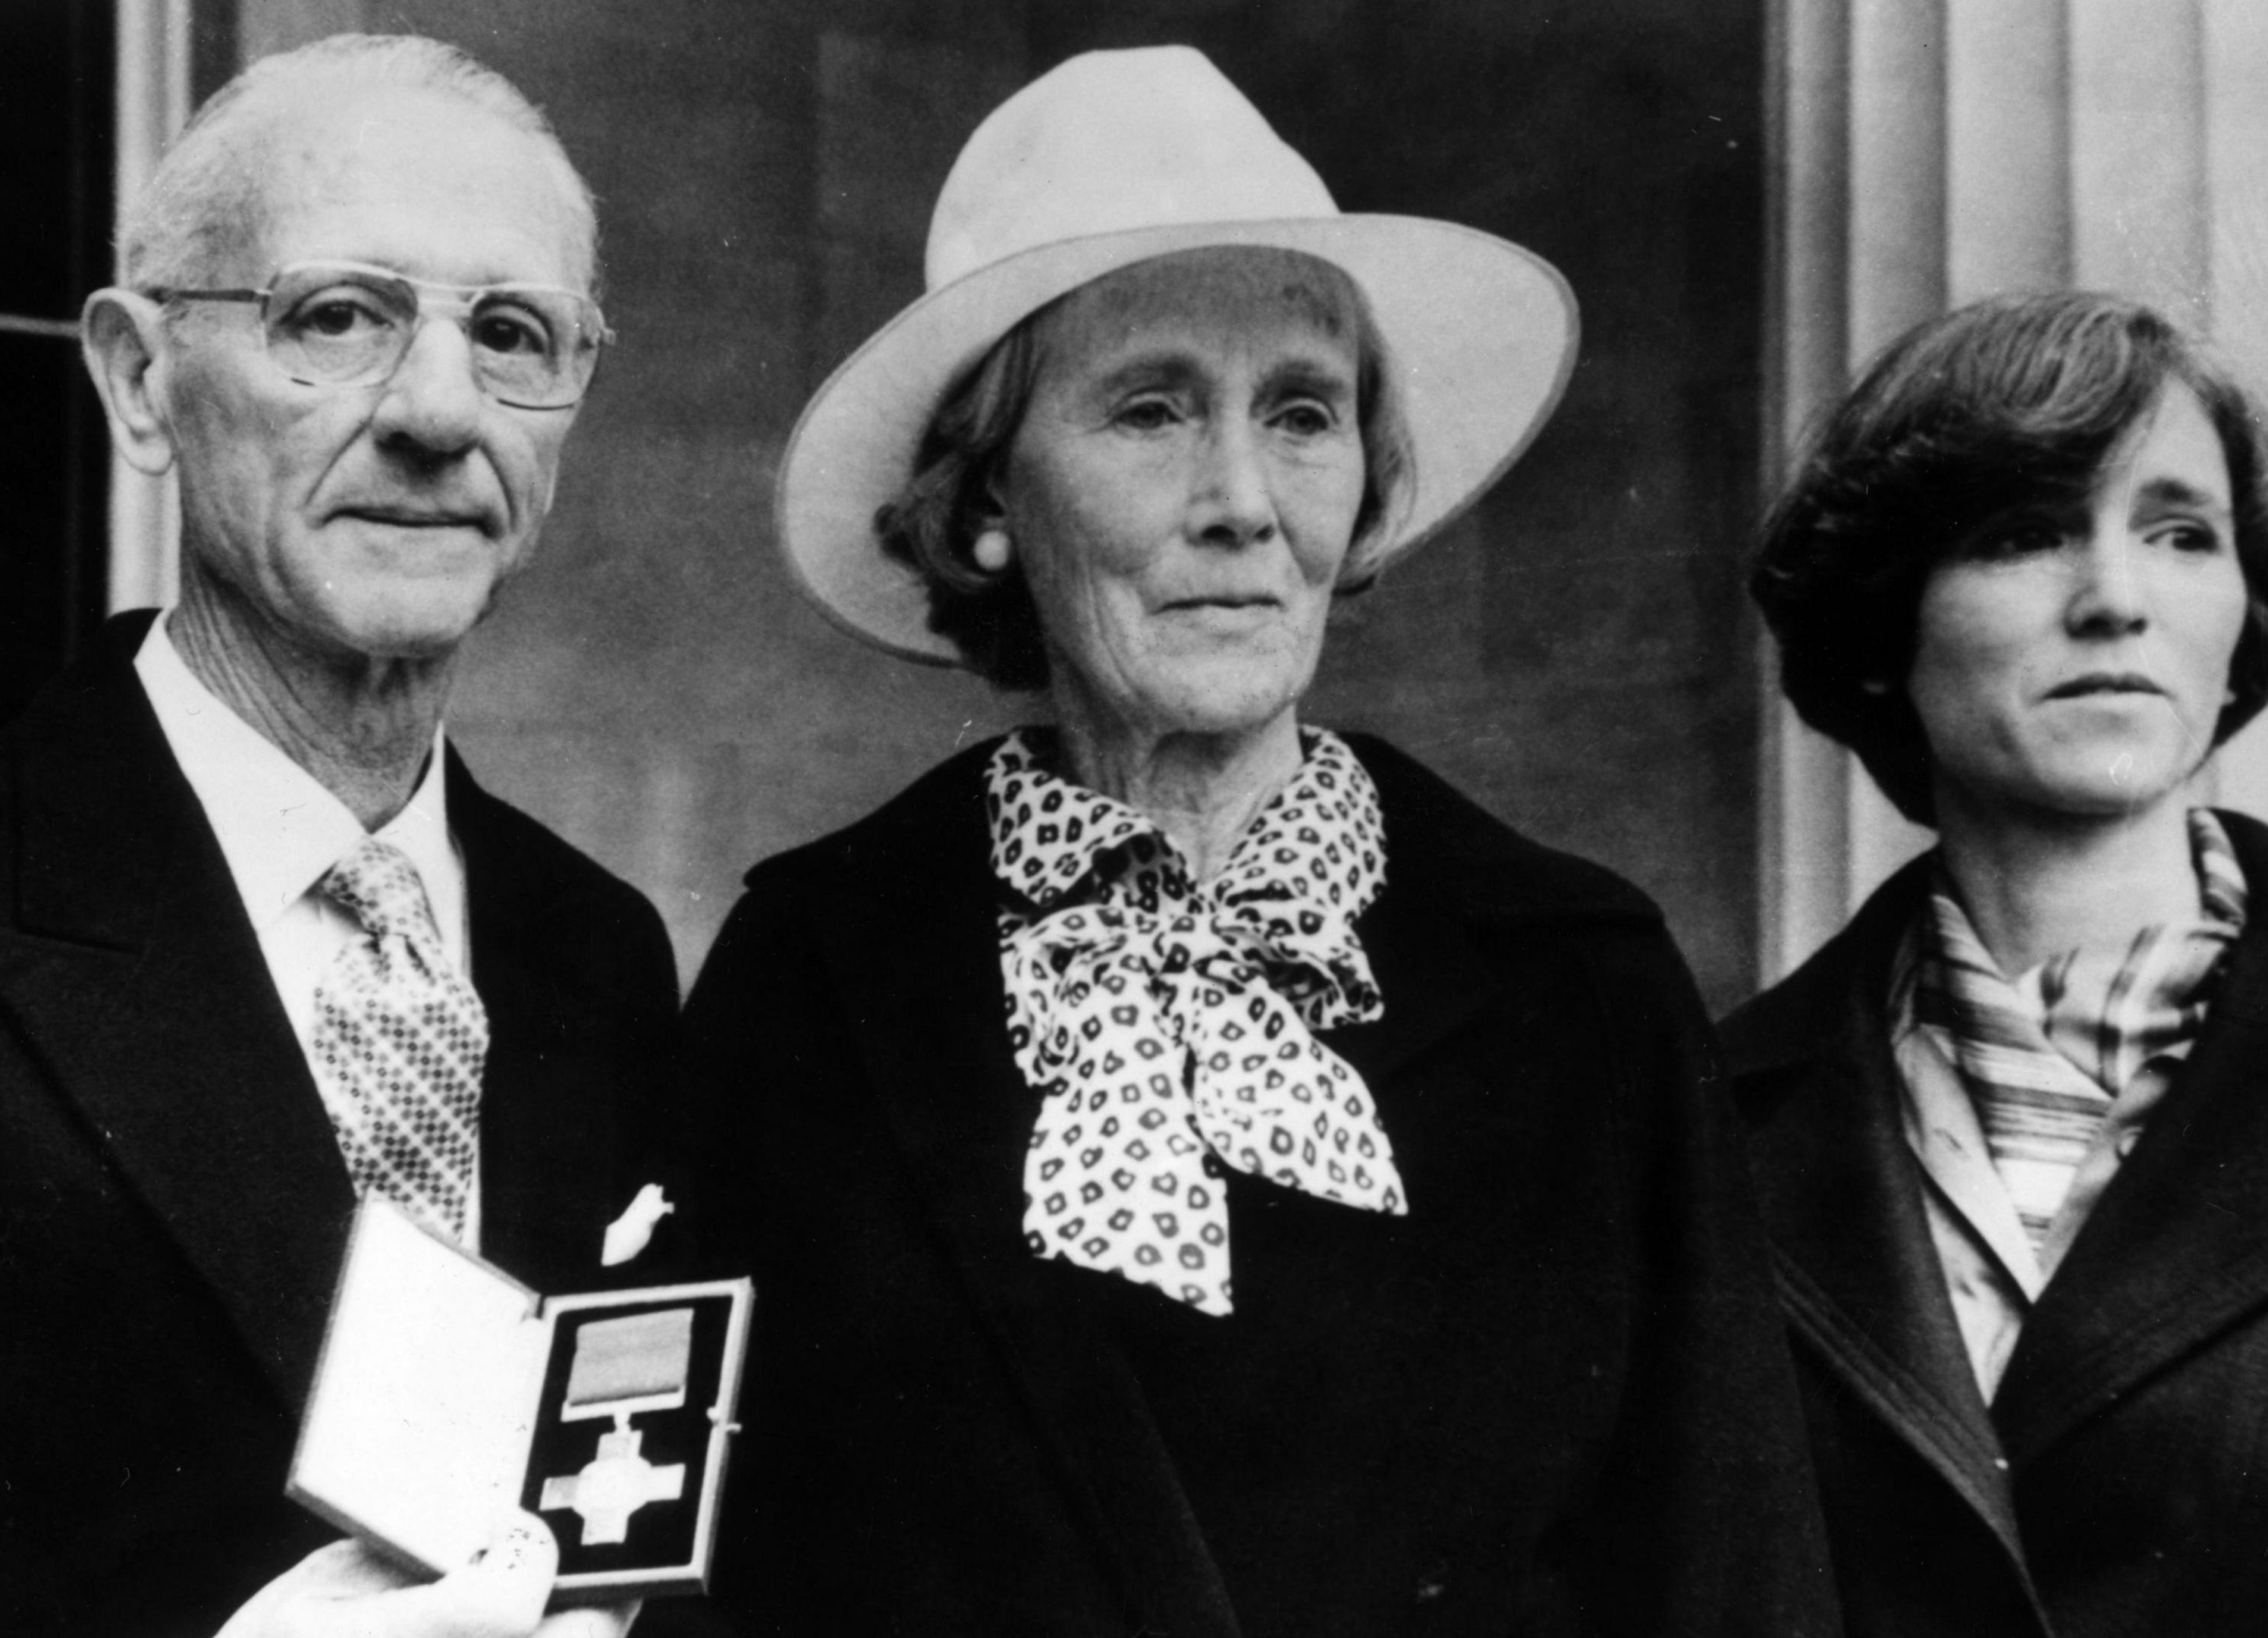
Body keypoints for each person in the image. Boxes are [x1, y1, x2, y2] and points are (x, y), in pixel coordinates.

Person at [674, 46, 1834, 1637]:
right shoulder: (811, 978)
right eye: (1150, 409)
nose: (1242, 499)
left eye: (1301, 413)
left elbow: (1730, 1578)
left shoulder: (1582, 981)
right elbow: (707, 1585)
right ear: (993, 496)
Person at [0, 35, 681, 1638]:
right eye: (339, 316)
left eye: (510, 333)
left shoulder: (593, 952)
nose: (438, 409)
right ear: (140, 381)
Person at [1735, 289, 2268, 1636]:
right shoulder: (1710, 1111)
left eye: (2180, 534)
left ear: (2239, 617)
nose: (2116, 601)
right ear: (1882, 625)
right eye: (2025, 534)